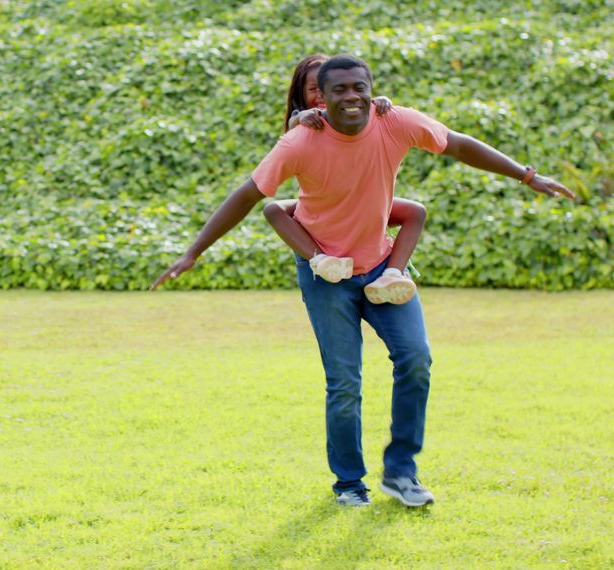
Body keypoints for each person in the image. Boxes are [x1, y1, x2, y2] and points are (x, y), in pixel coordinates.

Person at [151, 54, 575, 507]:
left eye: (360, 88)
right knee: (345, 383)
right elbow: (249, 195)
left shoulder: (396, 121)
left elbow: (459, 144)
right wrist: (193, 251)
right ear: (322, 98)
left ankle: (401, 473)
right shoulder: (299, 142)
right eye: (338, 90)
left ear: (372, 89)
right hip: (326, 273)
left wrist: (527, 175)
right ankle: (350, 483)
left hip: (380, 265)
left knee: (415, 360)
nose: (351, 97)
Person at [266, 54, 426, 304]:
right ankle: (320, 259)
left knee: (415, 212)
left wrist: (381, 102)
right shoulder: (305, 122)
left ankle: (393, 273)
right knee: (274, 209)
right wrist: (301, 117)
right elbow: (295, 121)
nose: (321, 96)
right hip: (324, 211)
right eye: (313, 89)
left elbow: (366, 108)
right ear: (302, 93)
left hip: (364, 204)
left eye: (327, 88)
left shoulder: (356, 113)